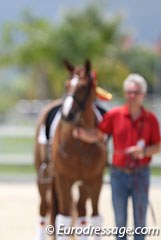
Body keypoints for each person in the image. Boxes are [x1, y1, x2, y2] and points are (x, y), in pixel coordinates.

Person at [73, 73, 161, 240]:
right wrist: (82, 134)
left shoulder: (151, 119)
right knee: (120, 222)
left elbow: (158, 147)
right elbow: (98, 135)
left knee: (140, 222)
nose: (132, 96)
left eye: (135, 92)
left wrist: (142, 152)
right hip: (118, 175)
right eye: (129, 92)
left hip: (141, 175)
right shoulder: (114, 115)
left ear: (143, 94)